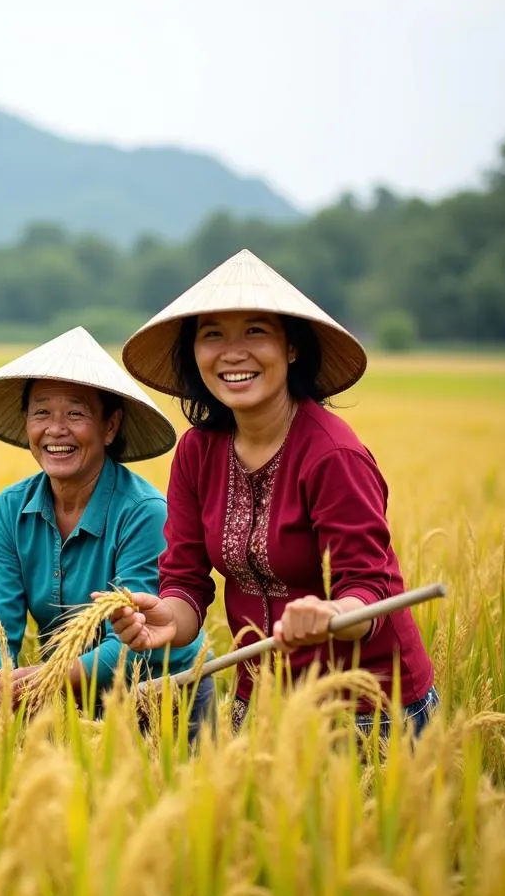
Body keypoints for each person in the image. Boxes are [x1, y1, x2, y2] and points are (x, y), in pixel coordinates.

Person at [106, 249, 438, 739]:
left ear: (292, 348)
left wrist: (330, 614)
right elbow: (186, 582)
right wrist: (165, 621)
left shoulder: (331, 455)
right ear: (194, 355)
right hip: (260, 703)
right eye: (212, 334)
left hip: (367, 709)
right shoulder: (197, 454)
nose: (232, 352)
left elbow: (368, 590)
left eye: (255, 331)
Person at [0, 326, 211, 725]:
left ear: (110, 427)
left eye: (75, 414)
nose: (56, 429)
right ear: (26, 422)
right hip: (70, 697)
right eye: (41, 412)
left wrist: (47, 678)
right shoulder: (11, 509)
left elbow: (133, 643)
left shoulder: (143, 512)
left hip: (163, 695)